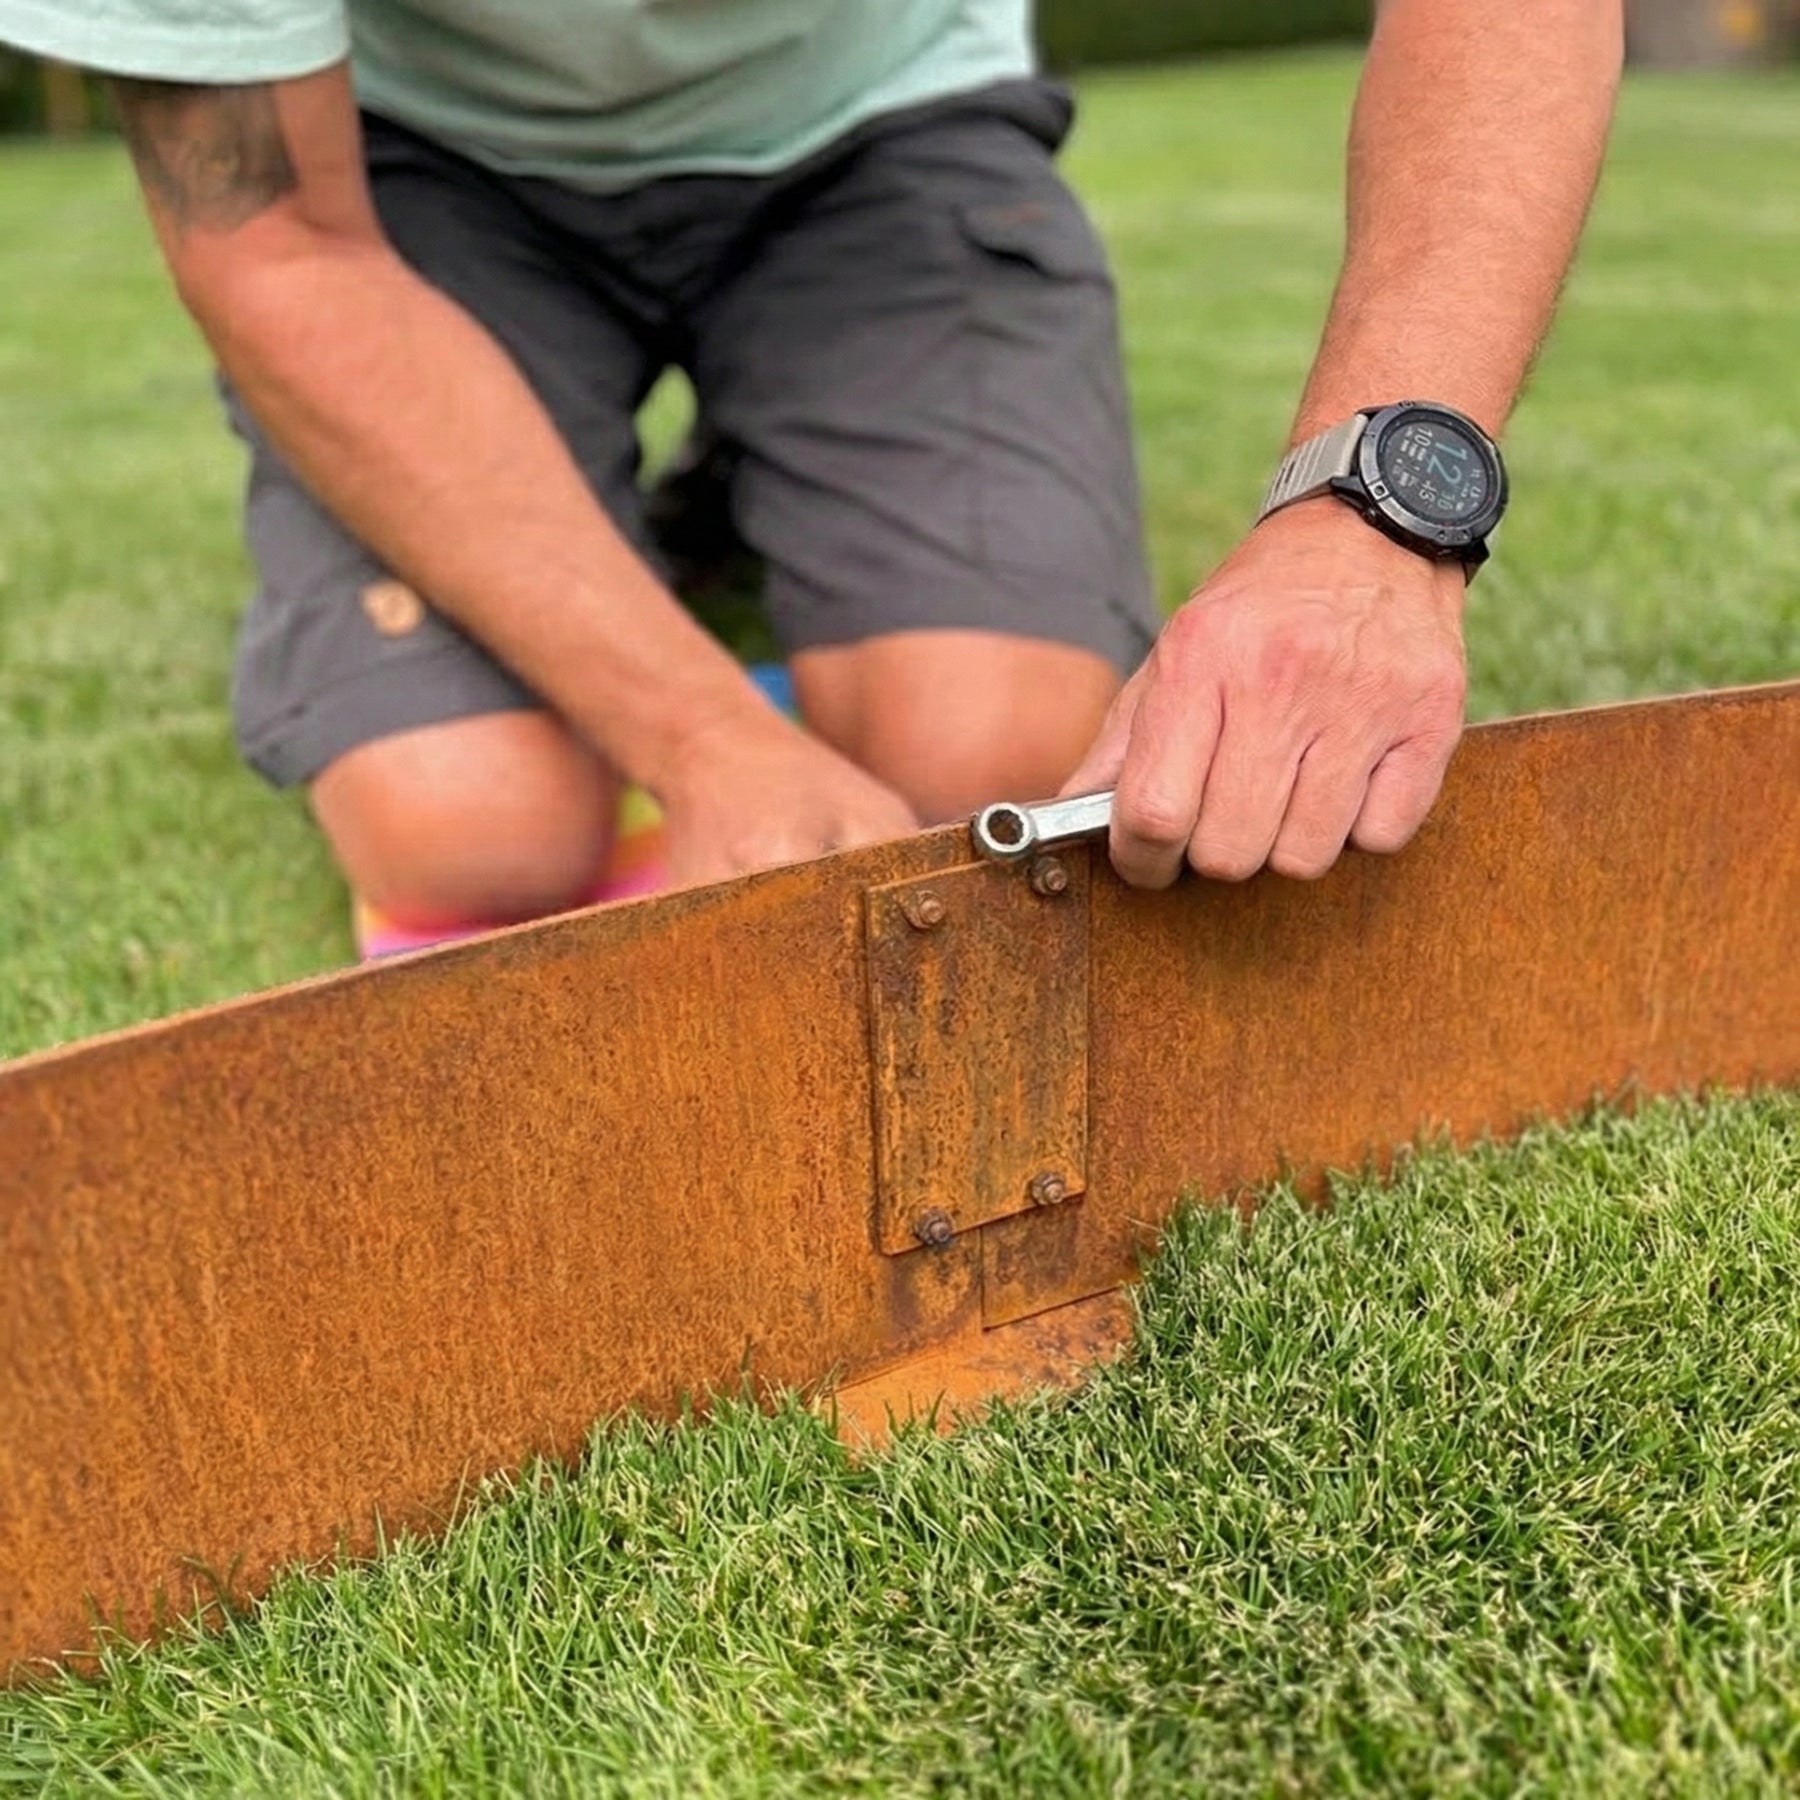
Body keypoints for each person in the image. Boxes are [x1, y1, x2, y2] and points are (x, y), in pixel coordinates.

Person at [0, 1, 1621, 946]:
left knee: (988, 752)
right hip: (415, 158)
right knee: (469, 833)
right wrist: (704, 741)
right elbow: (274, 238)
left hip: (876, 123)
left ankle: (738, 493)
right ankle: (658, 530)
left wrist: (1368, 519)